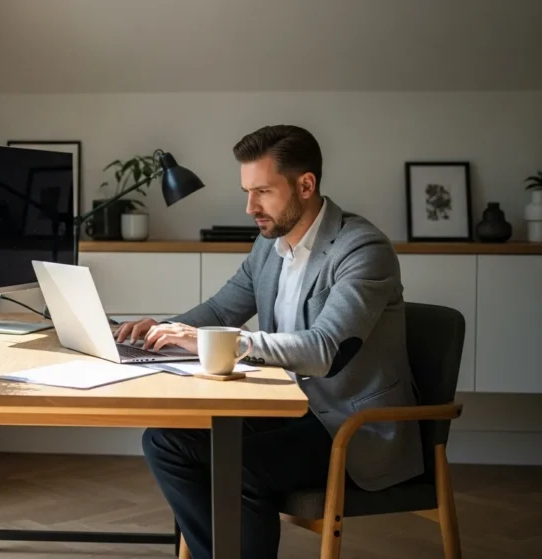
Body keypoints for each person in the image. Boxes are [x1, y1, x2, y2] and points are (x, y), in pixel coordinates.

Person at [116, 125, 422, 559]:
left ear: (305, 185)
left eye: (262, 191)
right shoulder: (270, 246)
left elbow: (324, 349)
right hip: (289, 407)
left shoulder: (362, 249)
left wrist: (219, 342)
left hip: (350, 424)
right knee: (164, 441)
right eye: (247, 191)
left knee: (238, 469)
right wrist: (155, 332)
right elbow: (221, 312)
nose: (249, 207)